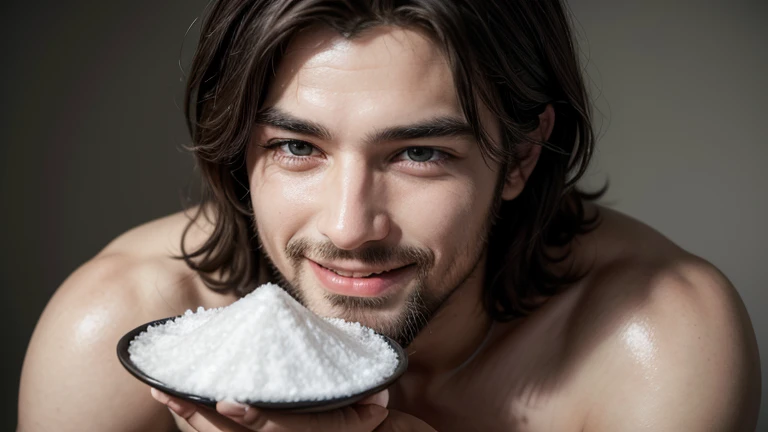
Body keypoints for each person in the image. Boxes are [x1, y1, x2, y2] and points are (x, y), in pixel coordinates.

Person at [18, 0, 761, 431]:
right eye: (296, 146)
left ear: (524, 156)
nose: (348, 228)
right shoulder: (111, 332)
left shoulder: (656, 341)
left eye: (419, 155)